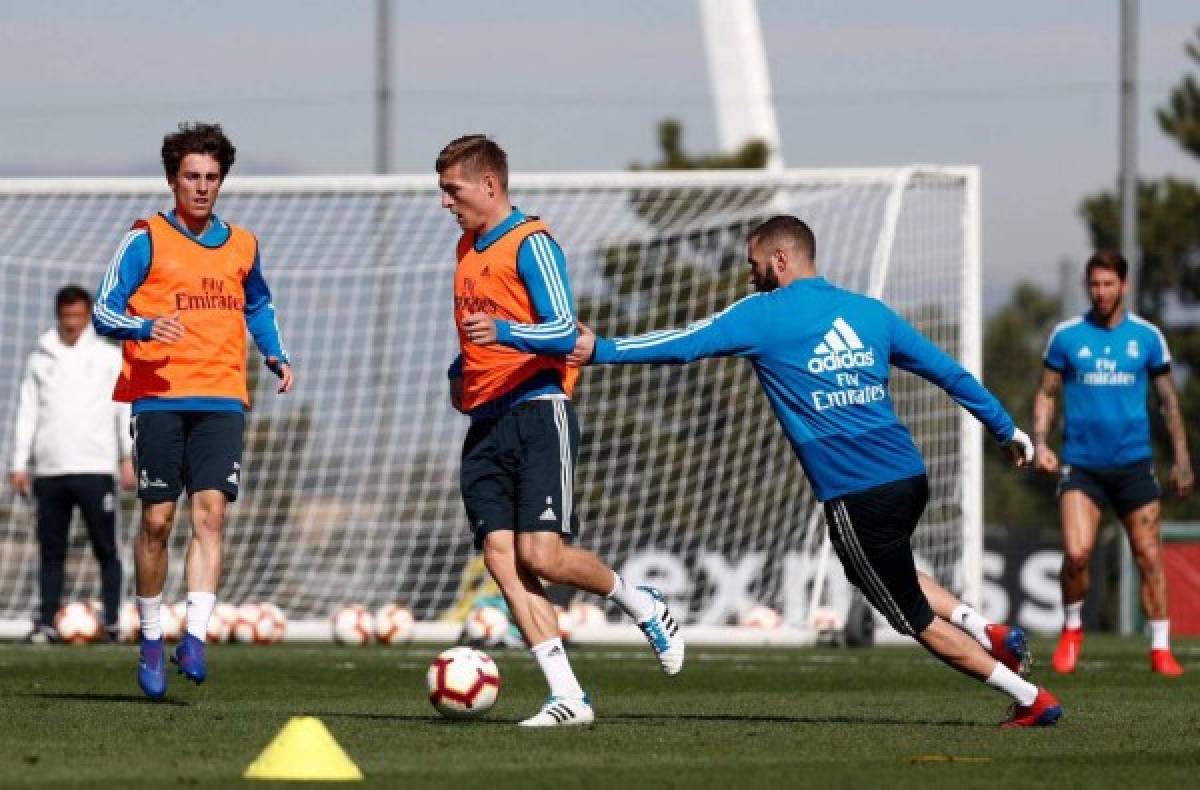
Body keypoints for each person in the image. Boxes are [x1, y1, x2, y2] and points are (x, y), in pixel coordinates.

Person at [563, 215, 1063, 727]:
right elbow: (950, 374)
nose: (749, 276)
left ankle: (1028, 697)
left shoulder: (762, 315)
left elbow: (684, 344)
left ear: (780, 260)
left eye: (753, 264)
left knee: (906, 615)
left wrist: (601, 350)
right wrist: (1008, 431)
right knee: (891, 569)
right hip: (909, 477)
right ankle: (984, 628)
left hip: (855, 491)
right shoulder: (870, 313)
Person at [438, 134, 684, 727]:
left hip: (537, 412)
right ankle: (568, 696)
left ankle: (636, 599)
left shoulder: (533, 243)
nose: (446, 203)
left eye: (453, 190)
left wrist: (506, 335)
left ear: (490, 185)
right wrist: (460, 371)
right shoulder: (465, 247)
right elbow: (476, 336)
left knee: (541, 556)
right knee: (503, 560)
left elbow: (566, 329)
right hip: (485, 422)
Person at [92, 122, 294, 699]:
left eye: (211, 177)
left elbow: (258, 303)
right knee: (158, 520)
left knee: (211, 515)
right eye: (191, 177)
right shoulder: (145, 239)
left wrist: (275, 353)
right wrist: (147, 324)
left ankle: (196, 636)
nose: (201, 187)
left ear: (221, 180)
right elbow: (107, 311)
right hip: (157, 395)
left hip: (223, 396)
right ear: (172, 179)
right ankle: (153, 638)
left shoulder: (243, 244)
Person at [1034, 250, 1192, 677]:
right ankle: (1072, 629)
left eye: (1108, 284)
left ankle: (1160, 648)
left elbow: (1168, 402)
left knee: (1148, 555)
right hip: (1082, 467)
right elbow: (1047, 392)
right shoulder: (1067, 336)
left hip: (1134, 466)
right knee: (1077, 552)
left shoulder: (1147, 337)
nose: (1101, 292)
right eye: (1094, 284)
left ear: (1124, 286)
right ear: (1088, 287)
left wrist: (1181, 459)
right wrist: (1040, 442)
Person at [10, 285, 135, 643]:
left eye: (78, 316)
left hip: (96, 468)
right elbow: (27, 413)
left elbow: (122, 406)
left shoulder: (108, 357)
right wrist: (19, 462)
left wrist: (128, 455)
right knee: (51, 550)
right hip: (50, 470)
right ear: (58, 316)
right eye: (66, 316)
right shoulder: (40, 359)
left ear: (88, 316)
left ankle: (112, 622)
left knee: (106, 548)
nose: (71, 323)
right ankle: (46, 622)